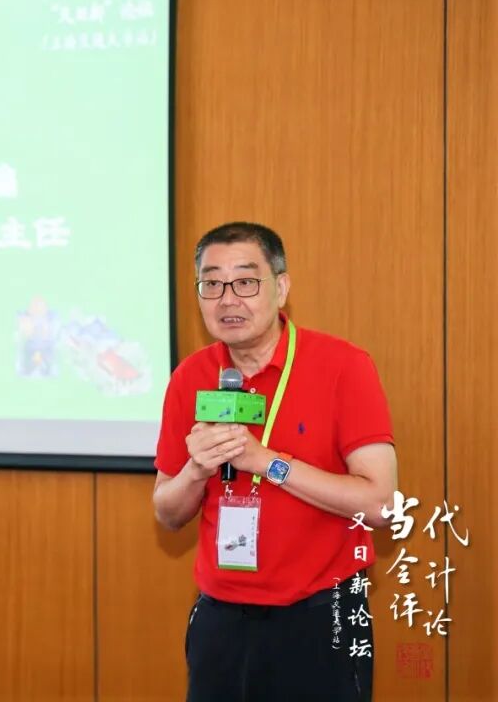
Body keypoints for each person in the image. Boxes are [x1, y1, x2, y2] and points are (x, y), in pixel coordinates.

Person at [152, 222, 397, 702]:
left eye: (245, 282)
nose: (227, 299)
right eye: (211, 284)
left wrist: (267, 463)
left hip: (321, 616)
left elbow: (381, 505)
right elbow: (167, 512)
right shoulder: (191, 377)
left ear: (281, 288)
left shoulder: (342, 366)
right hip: (221, 619)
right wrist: (196, 470)